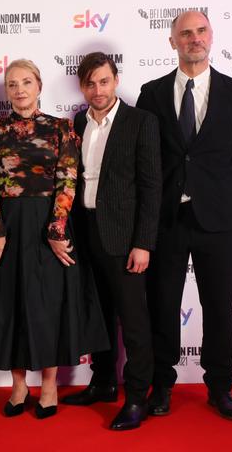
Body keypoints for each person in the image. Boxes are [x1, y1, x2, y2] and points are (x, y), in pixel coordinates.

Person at [0, 59, 108, 420]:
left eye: (26, 82)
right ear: (6, 91)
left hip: (49, 226)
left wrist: (57, 229)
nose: (19, 90)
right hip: (4, 228)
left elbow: (68, 179)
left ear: (39, 85)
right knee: (10, 304)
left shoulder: (61, 128)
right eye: (12, 84)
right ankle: (18, 386)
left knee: (47, 306)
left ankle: (48, 386)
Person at [136, 10, 232, 421]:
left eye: (200, 31)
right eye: (185, 33)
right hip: (165, 218)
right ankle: (161, 384)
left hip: (218, 218)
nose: (193, 39)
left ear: (211, 36)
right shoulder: (151, 93)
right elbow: (147, 157)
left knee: (219, 306)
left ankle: (221, 388)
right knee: (161, 303)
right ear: (172, 42)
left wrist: (207, 182)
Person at [61, 52, 161, 431]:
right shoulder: (77, 121)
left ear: (115, 79)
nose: (97, 90)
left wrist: (144, 243)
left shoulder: (141, 122)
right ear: (82, 86)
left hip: (125, 240)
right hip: (86, 234)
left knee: (133, 323)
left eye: (103, 81)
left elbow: (152, 188)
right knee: (97, 317)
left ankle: (137, 397)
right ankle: (102, 383)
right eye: (89, 83)